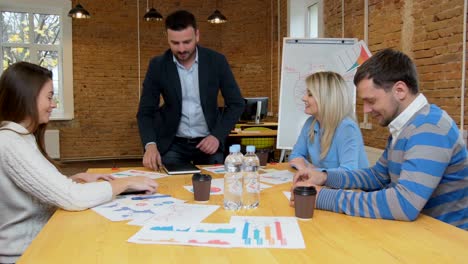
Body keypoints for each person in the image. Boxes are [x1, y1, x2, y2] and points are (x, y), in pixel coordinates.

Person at [291, 49, 468, 230]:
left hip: (445, 239)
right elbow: (377, 176)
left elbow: (403, 204)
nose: (366, 110)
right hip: (418, 231)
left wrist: (321, 197)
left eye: (371, 101)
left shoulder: (430, 128)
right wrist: (325, 176)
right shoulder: (405, 126)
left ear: (399, 90)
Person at [0, 62, 159, 263]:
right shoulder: (10, 142)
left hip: (42, 242)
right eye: (49, 97)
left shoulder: (21, 137)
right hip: (26, 254)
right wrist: (124, 183)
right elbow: (72, 198)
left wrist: (72, 179)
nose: (54, 104)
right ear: (27, 96)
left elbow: (30, 187)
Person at [137, 10, 245, 171]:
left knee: (214, 189)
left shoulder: (216, 61)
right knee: (170, 190)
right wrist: (150, 145)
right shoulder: (158, 65)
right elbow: (145, 112)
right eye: (175, 43)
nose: (181, 49)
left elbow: (236, 104)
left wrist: (217, 135)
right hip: (173, 144)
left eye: (187, 42)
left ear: (197, 35)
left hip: (209, 142)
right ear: (167, 38)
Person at [288, 71, 368, 172]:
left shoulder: (347, 128)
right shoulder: (310, 123)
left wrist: (310, 169)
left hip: (353, 188)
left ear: (326, 98)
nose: (303, 98)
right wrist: (310, 169)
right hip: (325, 185)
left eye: (310, 94)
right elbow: (295, 156)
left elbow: (348, 172)